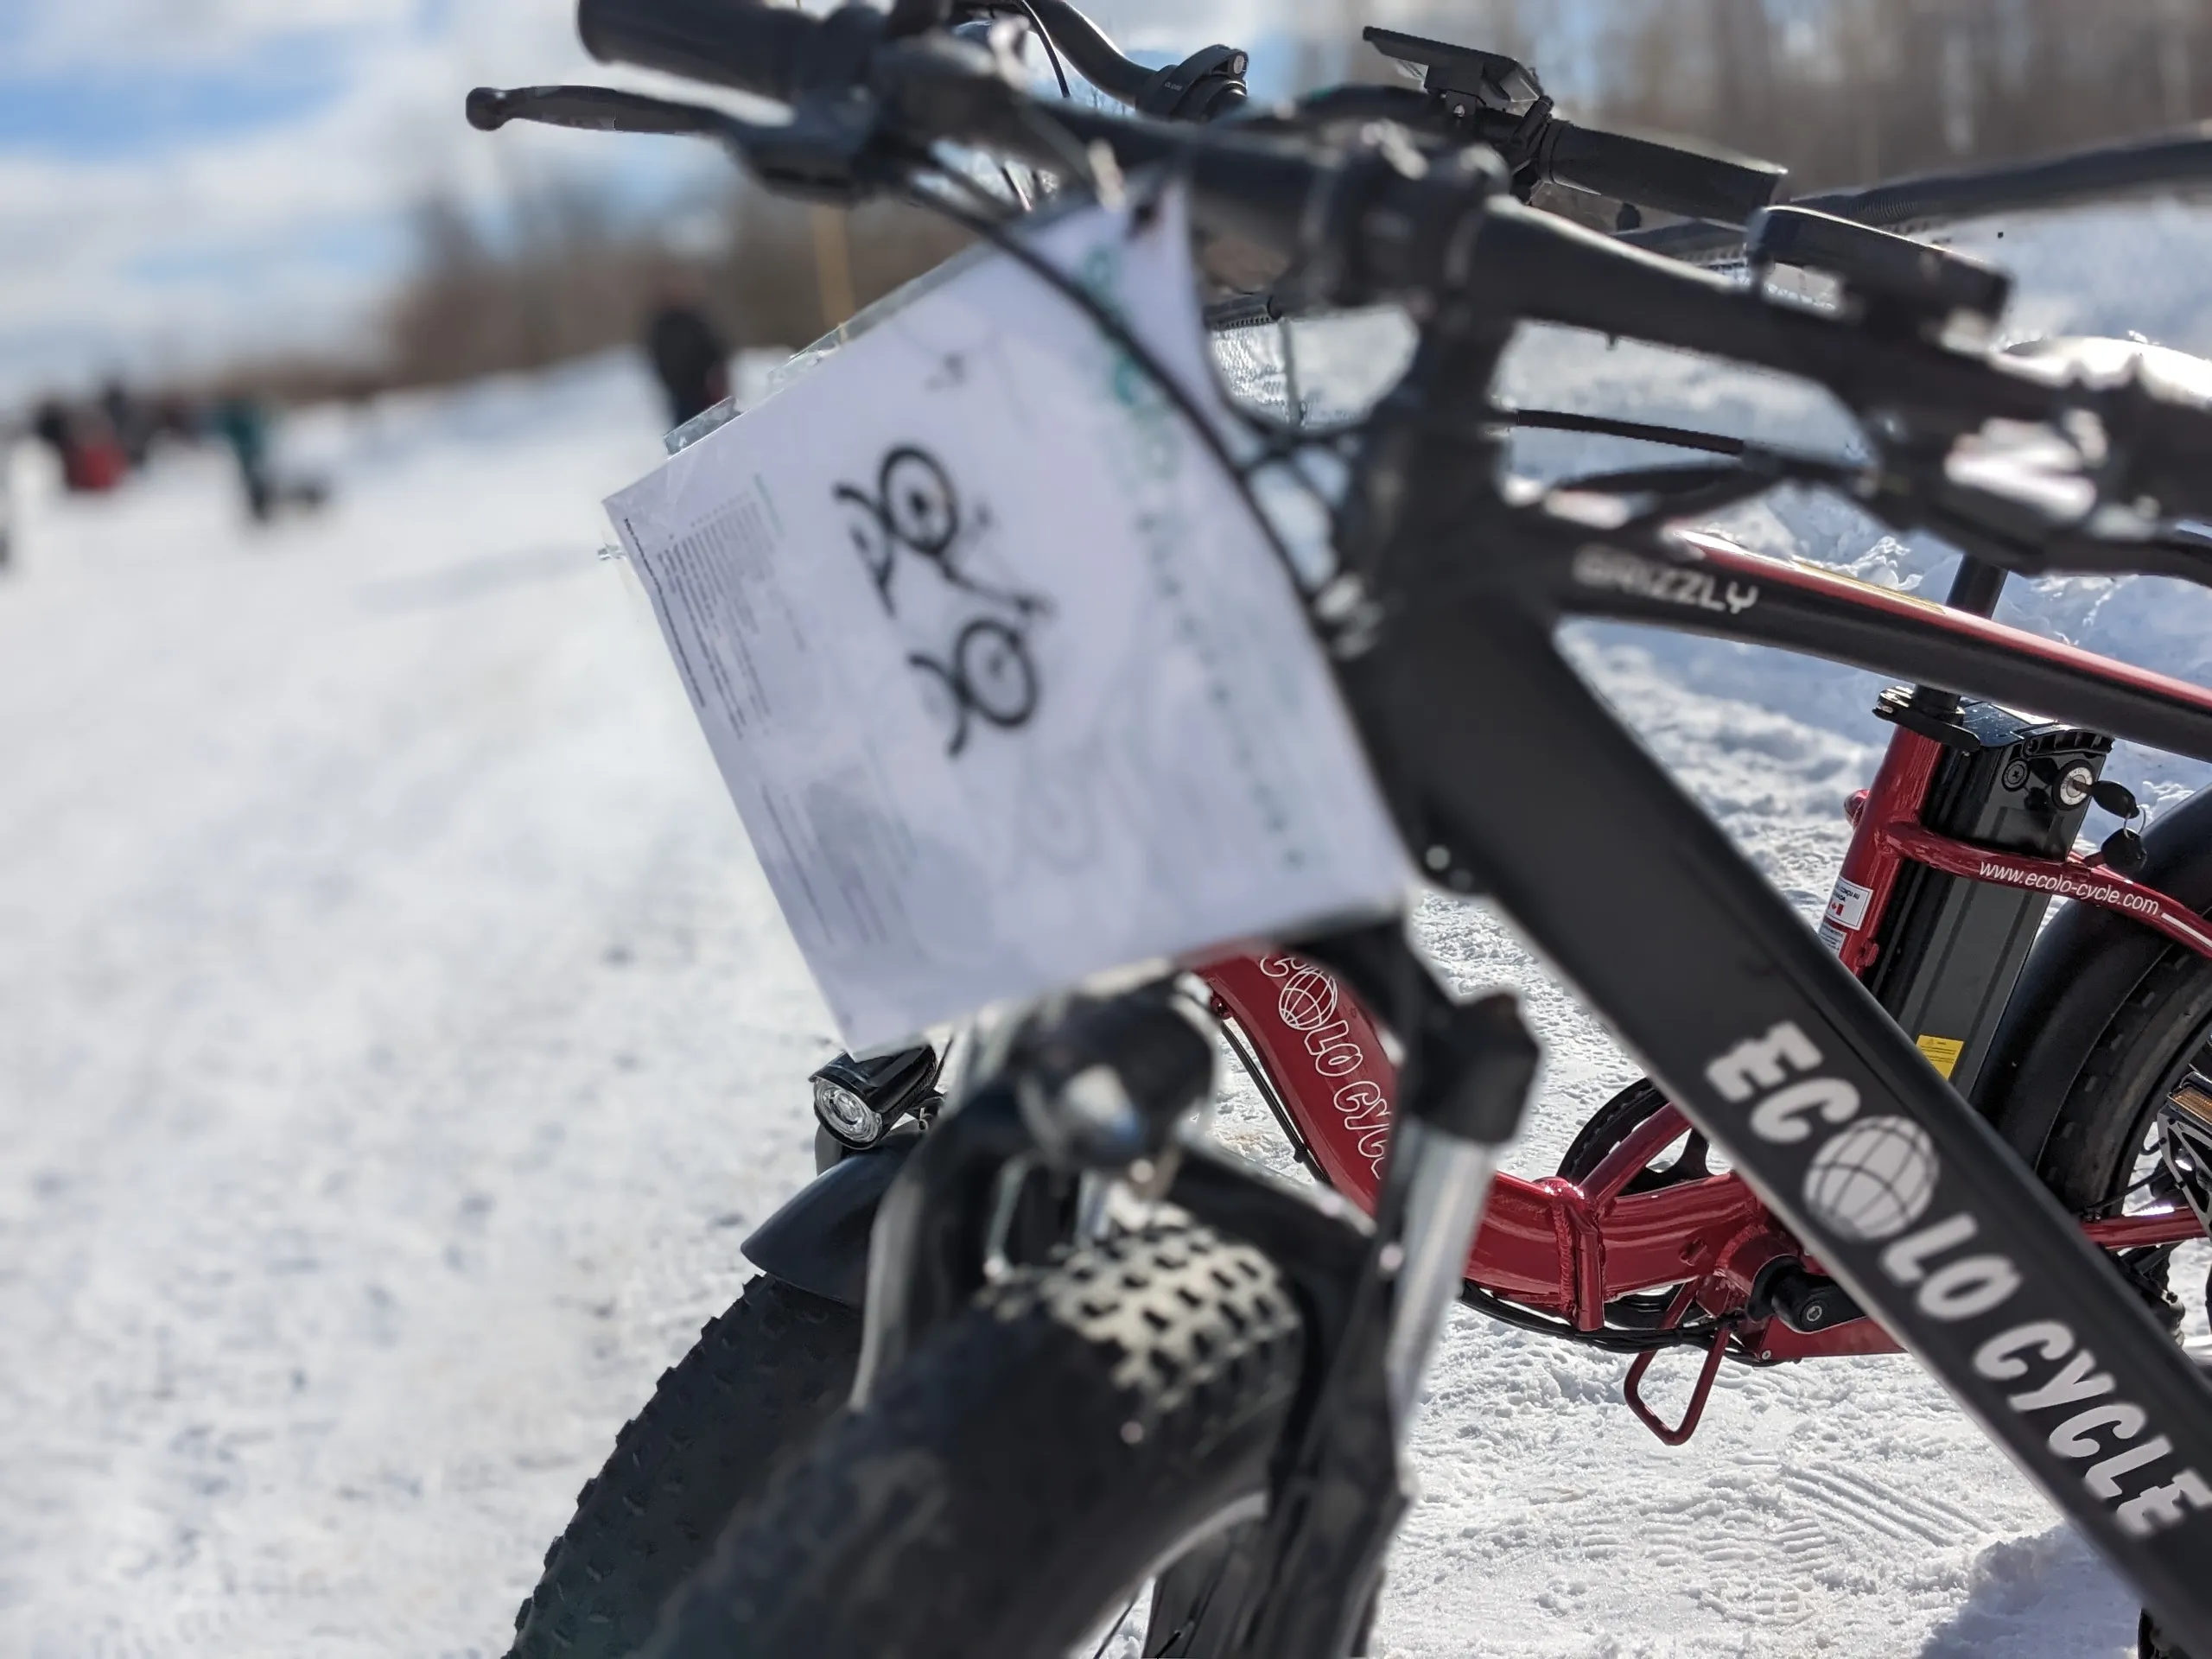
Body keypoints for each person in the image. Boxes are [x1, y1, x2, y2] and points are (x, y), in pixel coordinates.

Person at [644, 296, 731, 429]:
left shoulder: (695, 319)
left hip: (704, 389)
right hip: (681, 392)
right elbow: (659, 357)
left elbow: (714, 348)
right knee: (687, 429)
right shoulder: (663, 326)